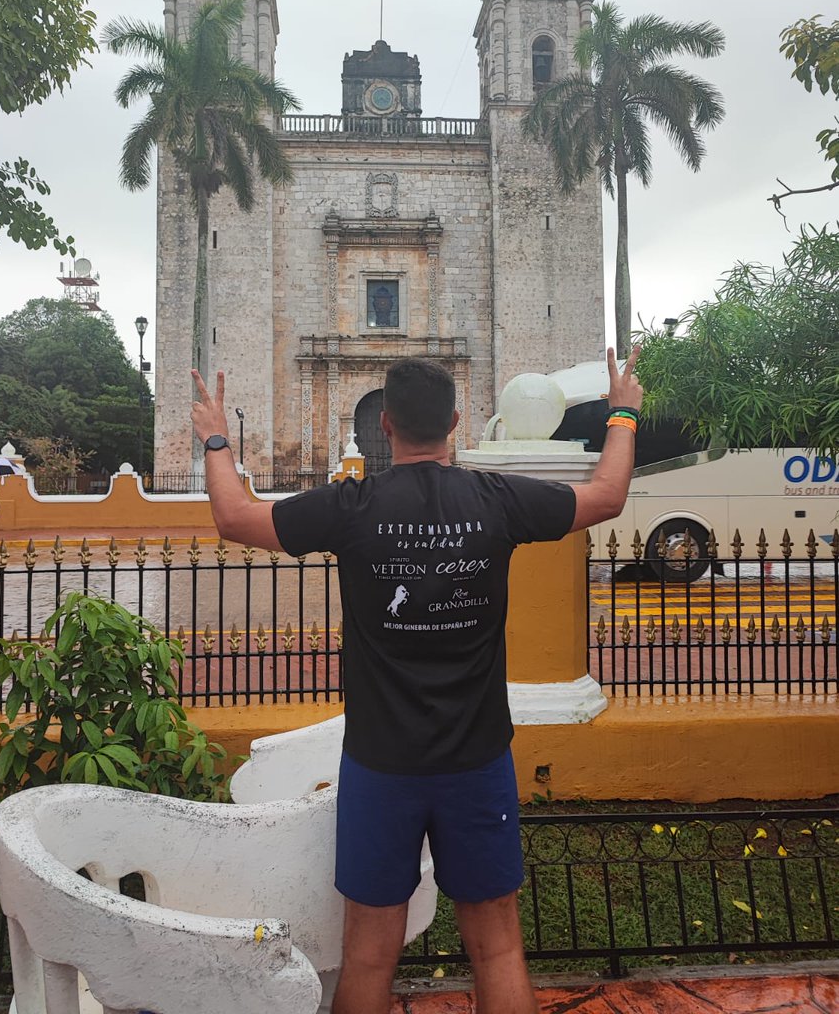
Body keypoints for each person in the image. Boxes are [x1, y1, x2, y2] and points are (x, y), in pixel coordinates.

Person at [191, 347, 643, 1014]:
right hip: (476, 760)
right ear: (457, 422)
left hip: (382, 767)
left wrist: (215, 437)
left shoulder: (351, 507)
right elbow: (606, 496)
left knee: (371, 953)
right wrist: (623, 413)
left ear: (388, 428)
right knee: (497, 948)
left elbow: (234, 518)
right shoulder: (497, 499)